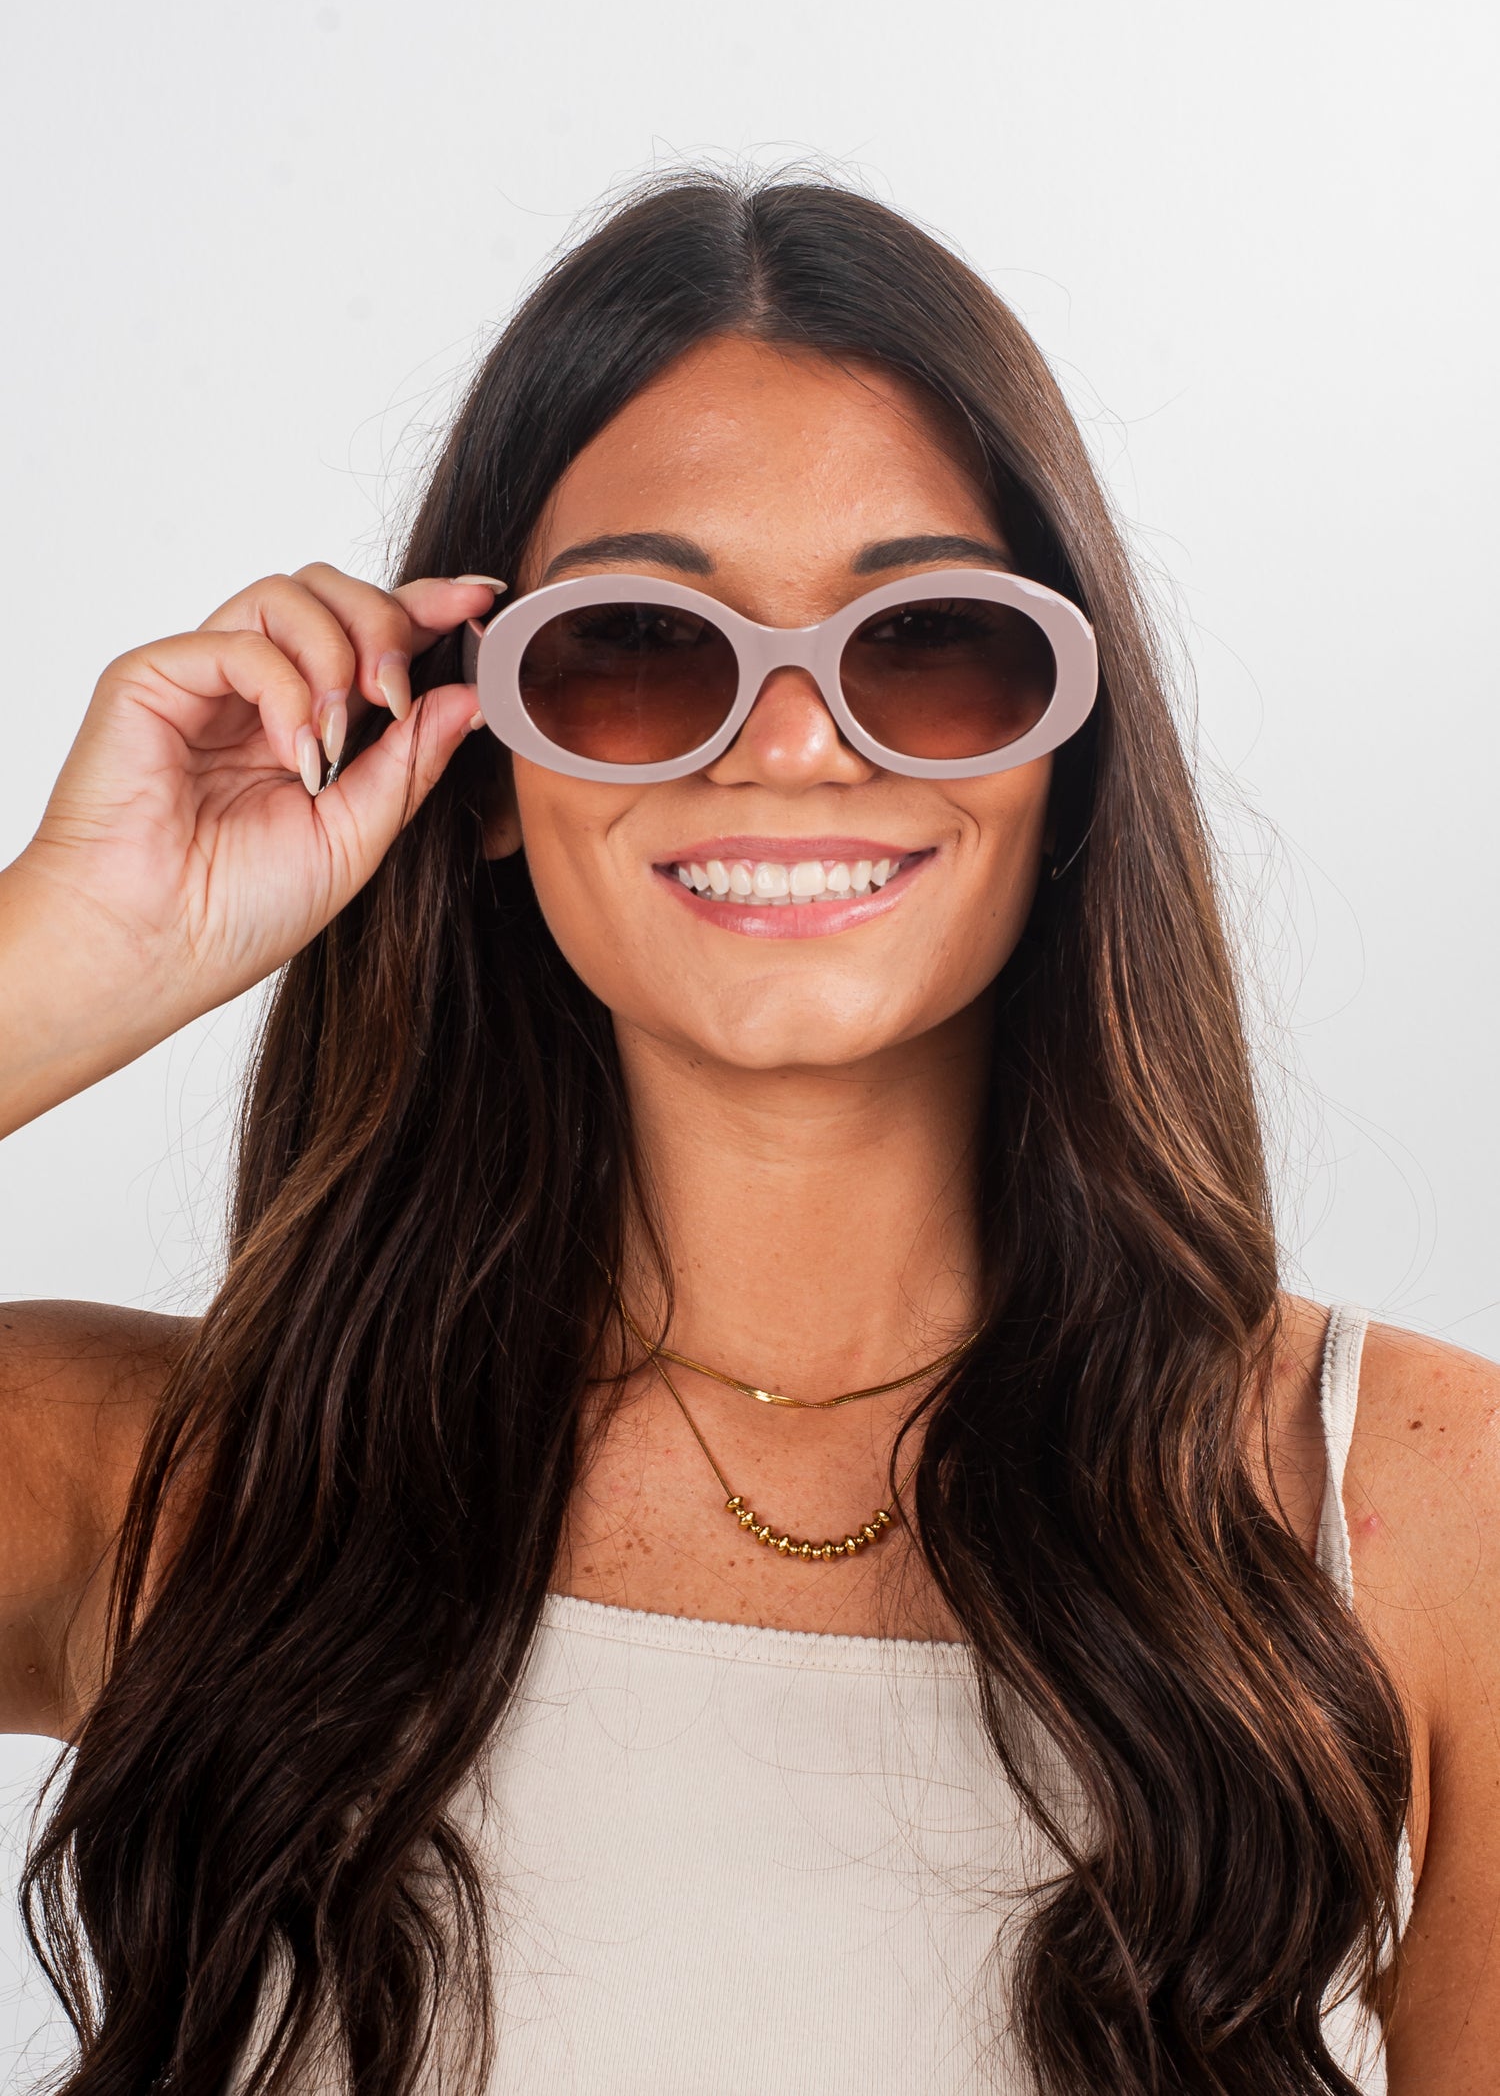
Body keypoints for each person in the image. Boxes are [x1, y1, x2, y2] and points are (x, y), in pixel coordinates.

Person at [1, 173, 1495, 2096]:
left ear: (1069, 754)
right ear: (474, 759)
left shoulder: (1417, 1522)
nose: (789, 745)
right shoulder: (168, 1486)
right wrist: (67, 955)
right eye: (635, 651)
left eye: (929, 645)